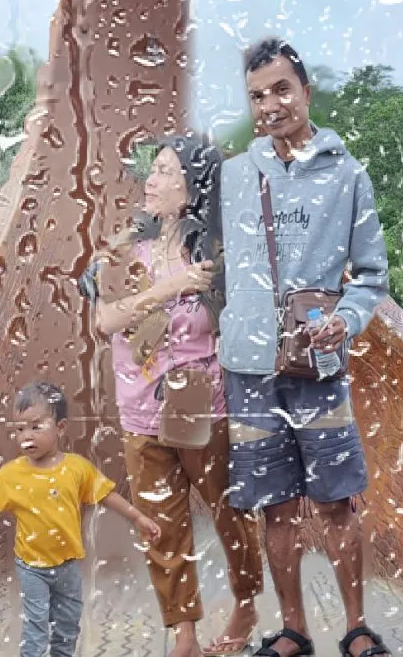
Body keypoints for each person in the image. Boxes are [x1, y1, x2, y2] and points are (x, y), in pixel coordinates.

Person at [219, 38, 391, 657]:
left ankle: (356, 628)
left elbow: (372, 275)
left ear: (305, 89)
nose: (270, 104)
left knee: (338, 499)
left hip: (317, 368)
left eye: (281, 89)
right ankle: (295, 628)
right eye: (258, 95)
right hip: (247, 370)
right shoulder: (236, 175)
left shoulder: (348, 173)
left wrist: (345, 320)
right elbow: (204, 253)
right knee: (275, 507)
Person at [90, 133, 263, 657]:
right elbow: (106, 321)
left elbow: (241, 325)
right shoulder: (124, 246)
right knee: (162, 528)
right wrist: (171, 287)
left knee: (229, 512)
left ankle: (247, 604)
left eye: (166, 171)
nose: (153, 180)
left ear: (192, 189)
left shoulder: (219, 253)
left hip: (204, 410)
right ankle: (183, 631)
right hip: (140, 412)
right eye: (154, 169)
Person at [0, 381, 160, 657]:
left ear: (60, 428)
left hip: (67, 567)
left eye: (36, 426)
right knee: (36, 629)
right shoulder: (10, 475)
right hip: (31, 567)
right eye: (20, 428)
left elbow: (106, 494)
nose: (27, 435)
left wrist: (137, 518)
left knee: (67, 627)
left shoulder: (76, 468)